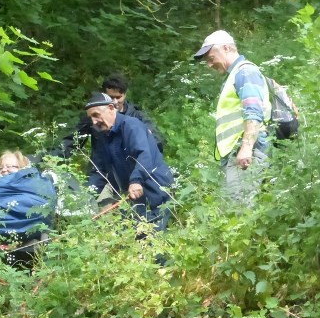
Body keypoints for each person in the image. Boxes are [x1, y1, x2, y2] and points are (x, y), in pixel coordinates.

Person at [193, 30, 270, 205]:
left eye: (211, 58)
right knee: (239, 209)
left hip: (245, 153)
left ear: (226, 48)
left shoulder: (245, 72)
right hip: (239, 153)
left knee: (240, 210)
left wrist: (246, 147)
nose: (209, 65)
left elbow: (253, 112)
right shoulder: (236, 75)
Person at [85, 92, 173, 231]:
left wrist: (136, 180)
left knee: (153, 237)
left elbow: (144, 155)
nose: (94, 121)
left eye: (96, 115)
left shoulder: (132, 125)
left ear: (110, 108)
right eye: (91, 118)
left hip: (154, 189)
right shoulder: (102, 135)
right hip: (132, 194)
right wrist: (86, 196)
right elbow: (98, 170)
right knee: (132, 237)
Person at [51, 73, 164, 162]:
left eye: (118, 97)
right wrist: (48, 159)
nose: (115, 102)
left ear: (125, 95)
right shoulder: (94, 116)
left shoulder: (137, 116)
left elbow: (156, 142)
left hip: (131, 168)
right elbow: (71, 142)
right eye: (110, 97)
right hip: (101, 169)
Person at [0, 150, 56, 244]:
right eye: (0, 168)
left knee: (24, 203)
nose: (4, 170)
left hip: (20, 211)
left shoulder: (31, 179)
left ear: (22, 167)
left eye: (9, 166)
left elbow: (40, 197)